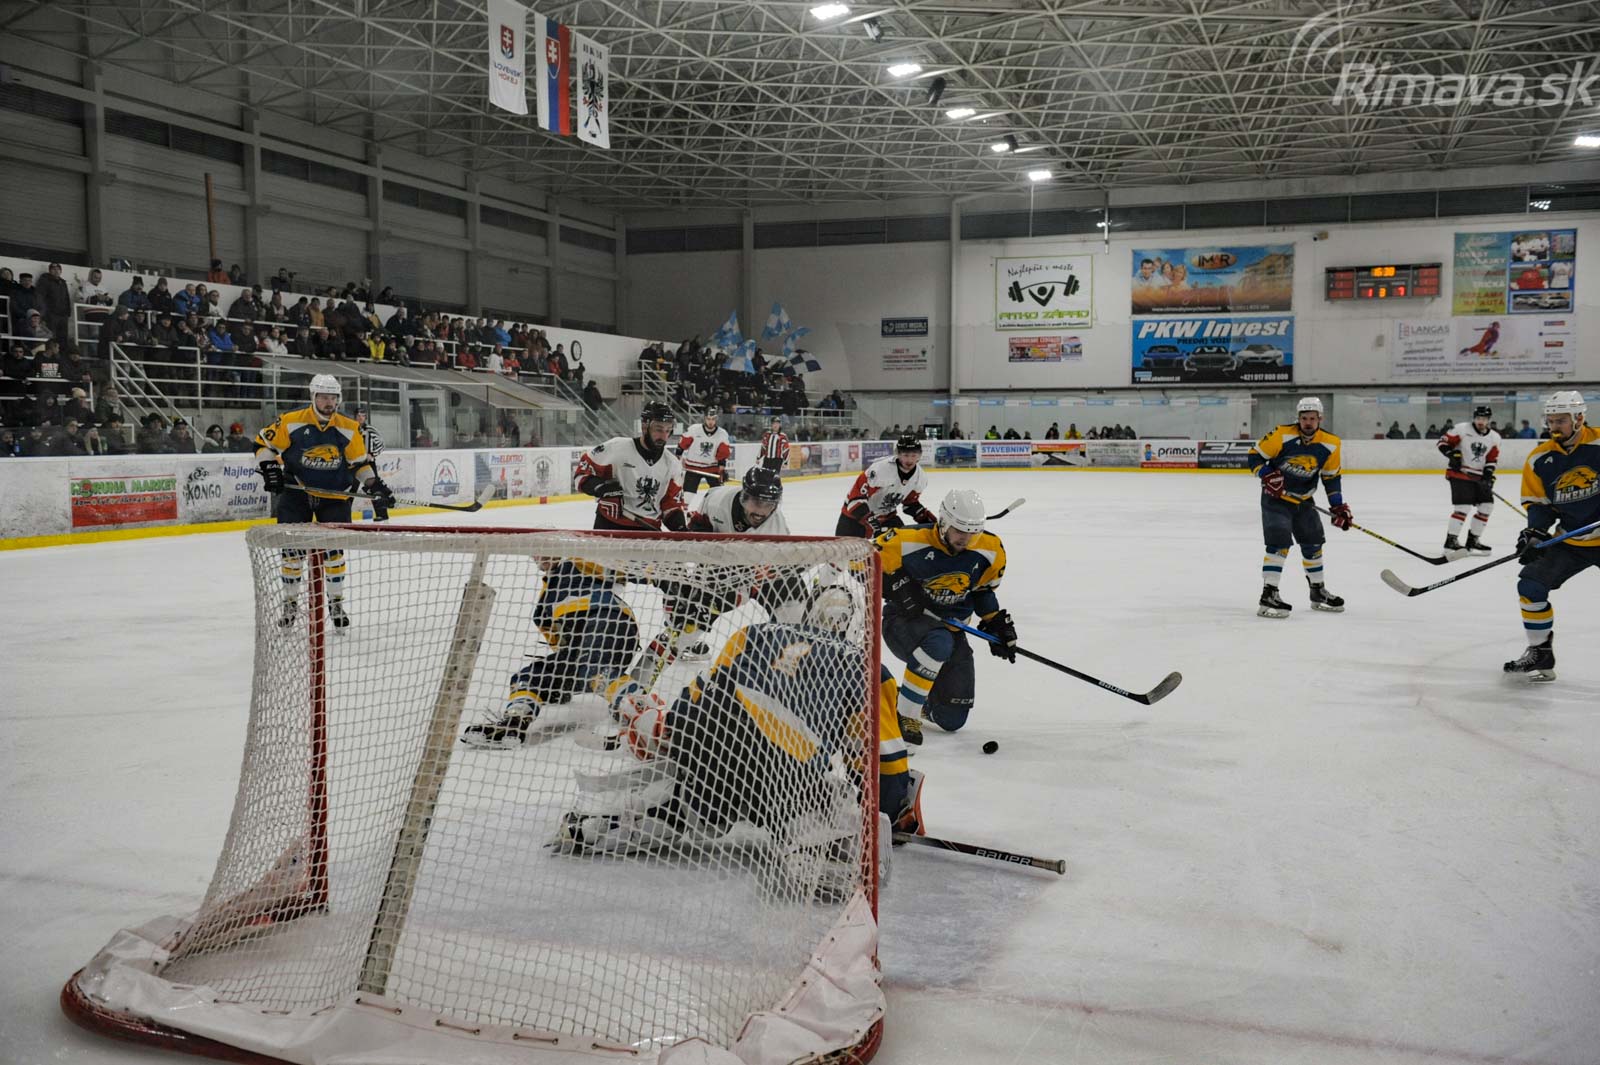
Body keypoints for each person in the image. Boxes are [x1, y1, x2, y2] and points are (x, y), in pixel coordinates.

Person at [556, 581, 917, 902]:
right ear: (857, 626)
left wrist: (669, 731)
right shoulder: (868, 668)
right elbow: (882, 761)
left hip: (712, 740)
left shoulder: (754, 632)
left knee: (693, 797)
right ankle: (814, 848)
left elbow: (701, 691)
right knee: (828, 795)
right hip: (784, 771)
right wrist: (892, 807)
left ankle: (612, 821)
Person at [253, 374, 394, 630]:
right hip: (297, 494)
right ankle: (290, 604)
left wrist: (375, 485)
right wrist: (269, 468)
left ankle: (336, 603)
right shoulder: (291, 421)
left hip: (335, 497)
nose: (329, 402)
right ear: (313, 397)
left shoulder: (348, 427)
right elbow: (264, 444)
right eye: (323, 397)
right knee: (292, 553)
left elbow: (358, 464)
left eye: (333, 397)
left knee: (334, 553)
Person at [458, 556, 643, 748]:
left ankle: (644, 710)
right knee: (531, 676)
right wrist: (560, 684)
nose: (542, 556)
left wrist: (656, 576)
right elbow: (557, 642)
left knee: (592, 668)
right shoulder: (543, 603)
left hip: (610, 621)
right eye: (537, 553)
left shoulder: (578, 561)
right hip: (581, 647)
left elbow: (624, 567)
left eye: (547, 549)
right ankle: (515, 721)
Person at [876, 488, 1014, 745]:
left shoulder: (990, 549)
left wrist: (995, 623)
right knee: (939, 642)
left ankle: (900, 697)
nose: (966, 539)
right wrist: (896, 586)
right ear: (943, 523)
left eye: (973, 533)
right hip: (903, 623)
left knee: (951, 718)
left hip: (951, 629)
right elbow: (860, 563)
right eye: (960, 531)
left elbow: (982, 591)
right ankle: (906, 715)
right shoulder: (906, 540)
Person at [1504, 391, 1599, 682]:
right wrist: (1534, 532)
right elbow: (1539, 505)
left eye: (1561, 420)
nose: (1554, 426)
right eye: (1551, 420)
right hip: (1571, 540)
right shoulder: (1540, 457)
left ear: (1579, 418)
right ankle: (1540, 652)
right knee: (1530, 585)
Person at [1248, 396, 1350, 618]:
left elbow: (1331, 477)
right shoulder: (1281, 434)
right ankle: (1269, 594)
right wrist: (1267, 475)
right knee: (1279, 544)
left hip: (1304, 501)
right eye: (1304, 418)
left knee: (1313, 543)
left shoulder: (1331, 443)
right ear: (1298, 418)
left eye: (1312, 418)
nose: (1308, 422)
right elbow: (1254, 456)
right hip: (1276, 499)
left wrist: (1338, 506)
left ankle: (1318, 591)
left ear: (1320, 419)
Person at [572, 400, 688, 532]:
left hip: (648, 530)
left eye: (668, 430)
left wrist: (680, 528)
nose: (663, 436)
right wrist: (601, 487)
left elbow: (671, 505)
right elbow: (581, 475)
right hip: (609, 525)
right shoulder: (617, 448)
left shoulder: (672, 463)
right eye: (658, 429)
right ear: (644, 426)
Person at [836, 434, 936, 538]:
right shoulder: (880, 469)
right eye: (906, 455)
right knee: (845, 548)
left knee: (901, 544)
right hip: (854, 519)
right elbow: (854, 500)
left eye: (914, 455)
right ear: (898, 454)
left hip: (887, 518)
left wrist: (926, 518)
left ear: (919, 455)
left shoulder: (920, 477)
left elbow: (910, 503)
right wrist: (871, 521)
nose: (909, 460)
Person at [1437, 405, 1501, 554]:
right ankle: (1451, 541)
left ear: (1489, 420)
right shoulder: (1462, 429)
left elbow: (1492, 459)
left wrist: (1488, 475)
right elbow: (1442, 443)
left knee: (1486, 506)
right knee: (1463, 507)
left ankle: (1473, 541)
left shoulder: (1494, 437)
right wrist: (1452, 455)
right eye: (1478, 418)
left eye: (1484, 419)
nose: (1480, 421)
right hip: (1460, 474)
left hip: (1478, 477)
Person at [676, 409, 733, 493]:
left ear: (716, 419)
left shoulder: (722, 434)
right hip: (693, 467)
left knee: (717, 494)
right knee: (688, 495)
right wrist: (677, 460)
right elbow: (682, 445)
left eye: (713, 419)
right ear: (705, 418)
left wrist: (722, 469)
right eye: (708, 419)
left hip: (712, 468)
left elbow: (723, 452)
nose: (710, 422)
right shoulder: (694, 429)